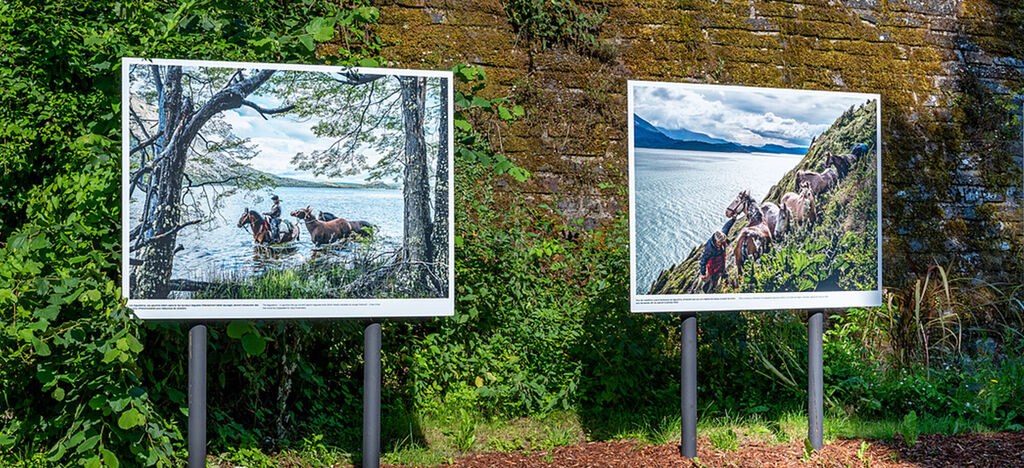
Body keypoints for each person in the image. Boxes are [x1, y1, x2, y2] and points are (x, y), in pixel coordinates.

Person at [699, 217, 736, 293]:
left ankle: (728, 287)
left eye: (722, 242)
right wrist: (703, 273)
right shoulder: (709, 248)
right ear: (715, 240)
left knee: (724, 275)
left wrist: (733, 219)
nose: (721, 243)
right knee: (712, 282)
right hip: (713, 269)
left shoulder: (721, 237)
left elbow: (726, 226)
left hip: (721, 264)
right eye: (719, 242)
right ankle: (709, 292)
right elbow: (703, 261)